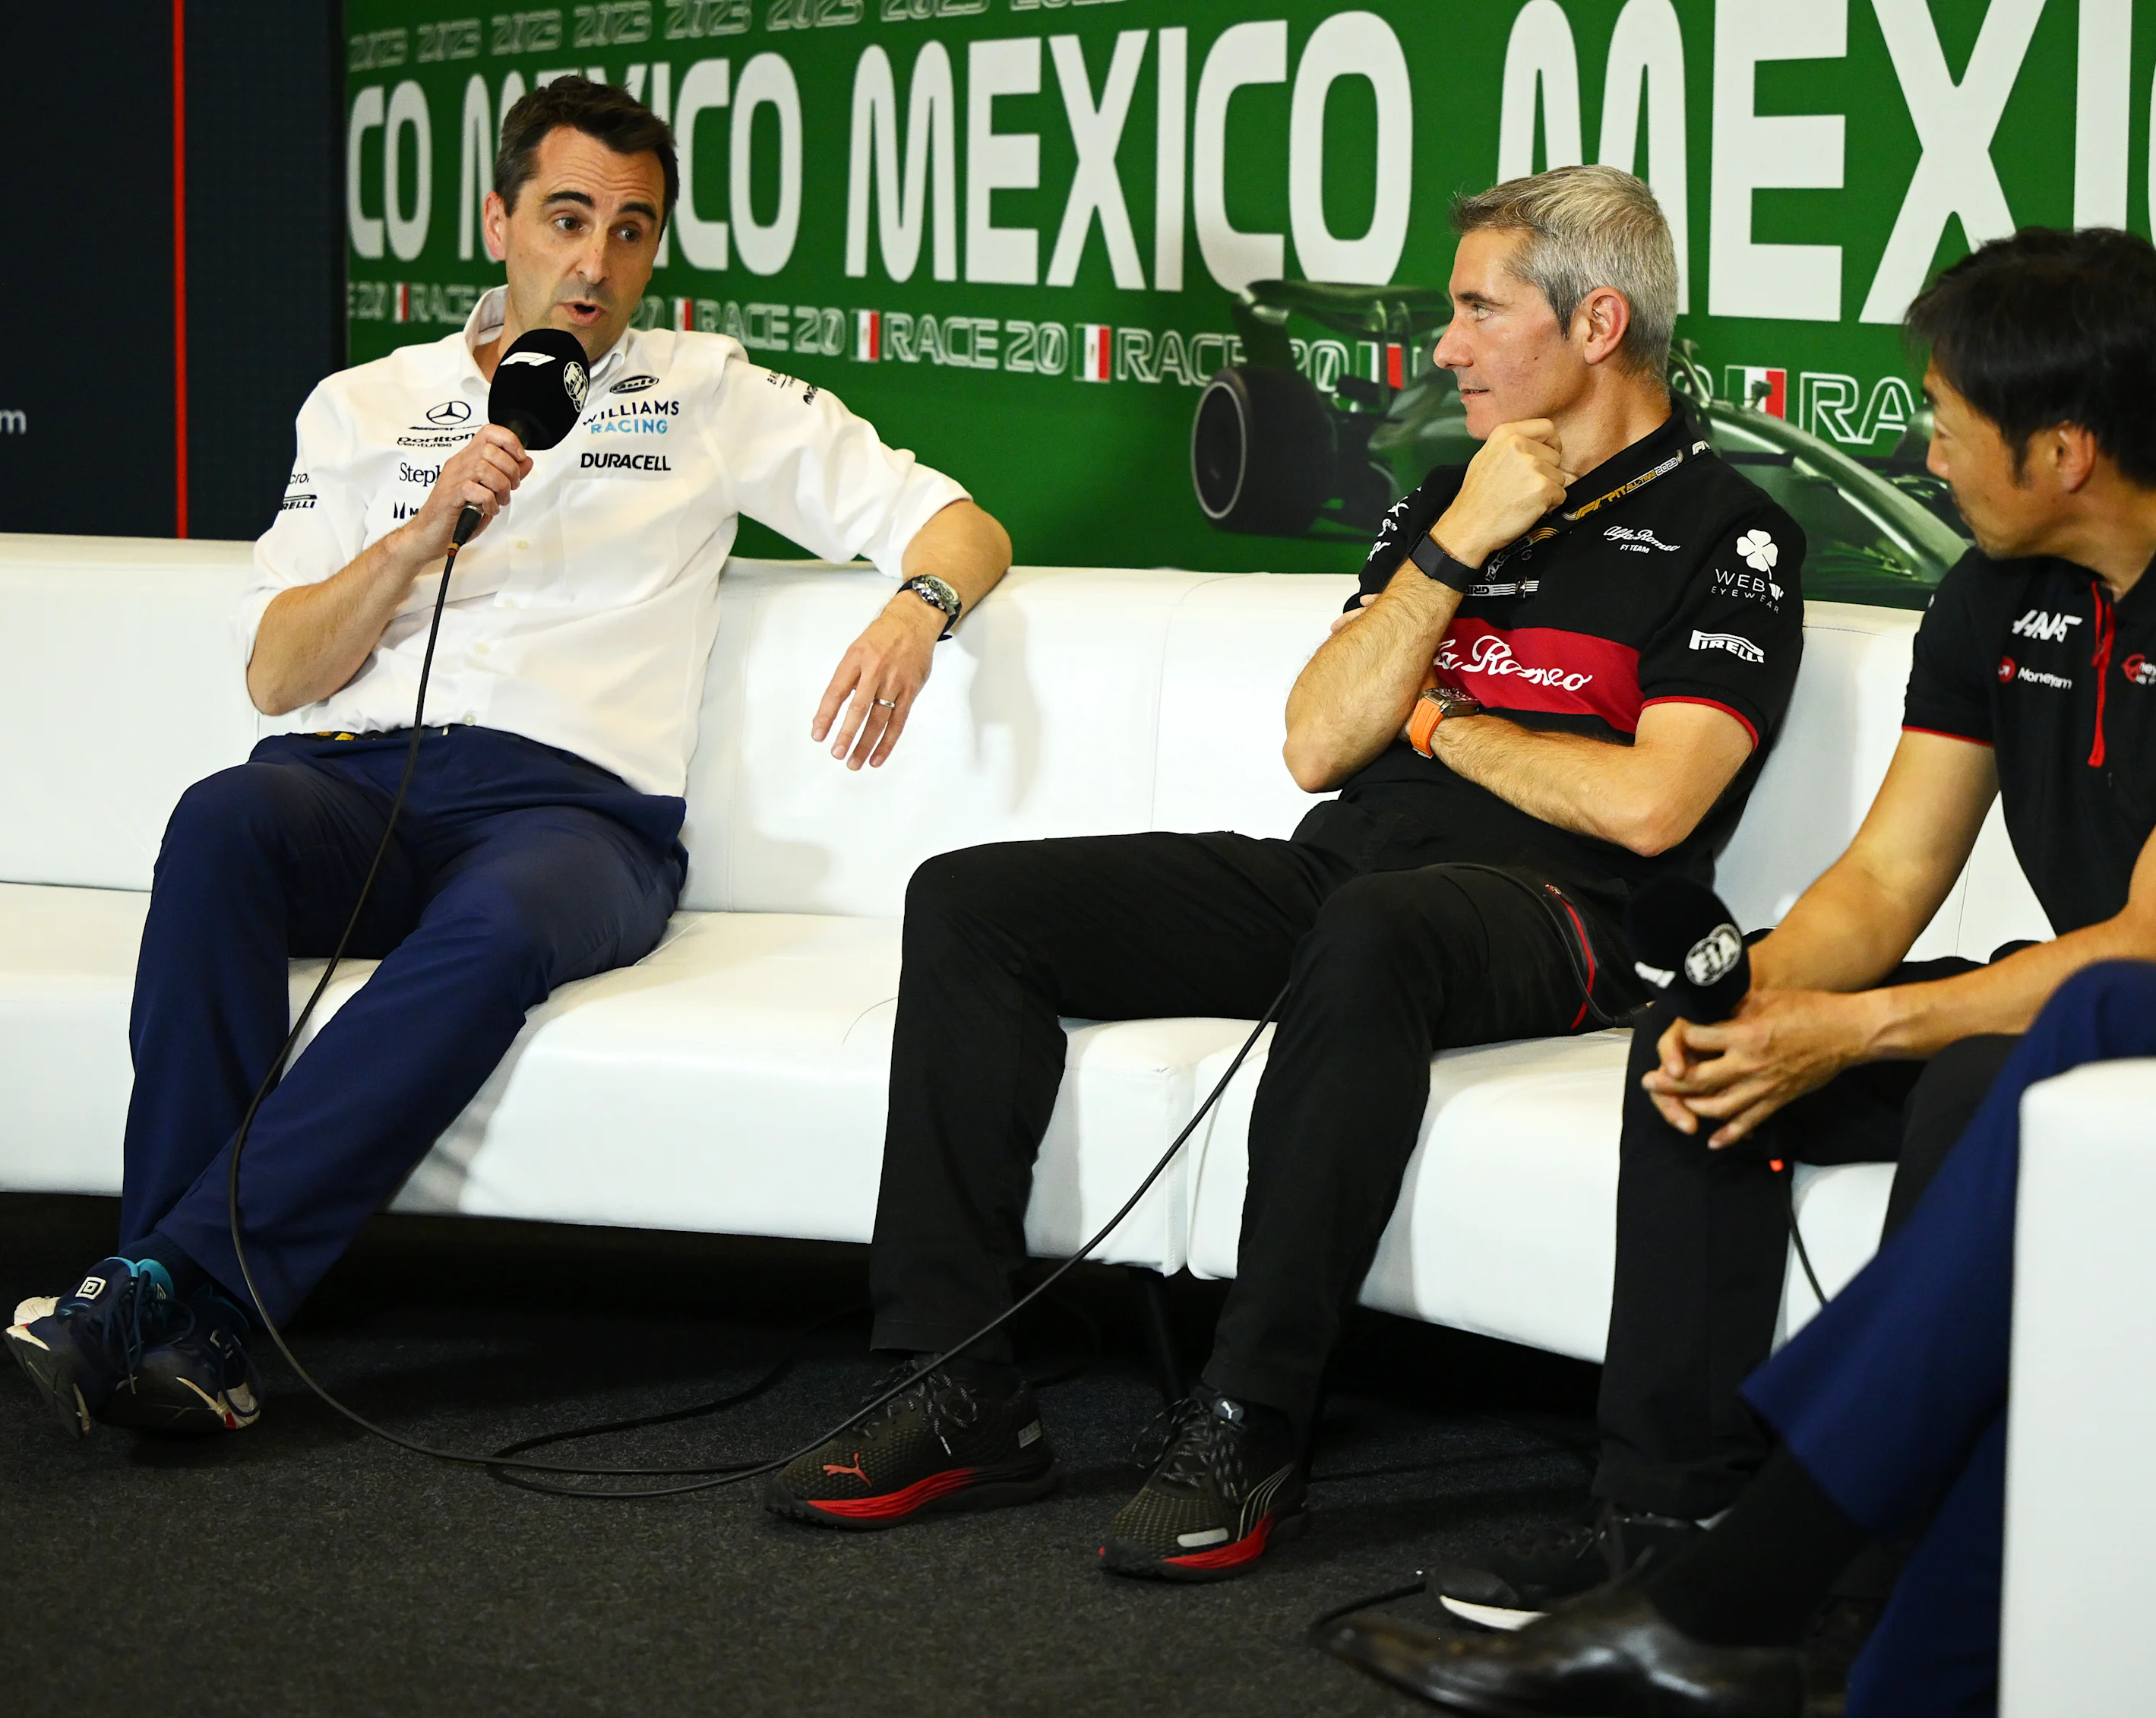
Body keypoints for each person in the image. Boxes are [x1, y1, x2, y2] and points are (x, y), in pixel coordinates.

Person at [762, 165, 1808, 1579]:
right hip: (1347, 877)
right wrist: (1455, 544)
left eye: (1480, 312)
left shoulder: (1729, 533)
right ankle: (956, 1385)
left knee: (1376, 929)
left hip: (1567, 917)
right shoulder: (1446, 500)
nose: (1443, 347)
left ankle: (1253, 1418)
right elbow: (1320, 741)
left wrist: (1440, 721)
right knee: (975, 898)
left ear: (1598, 323)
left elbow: (1647, 805)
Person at [1432, 226, 2156, 1627]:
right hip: (2082, 1005)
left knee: (1965, 1079)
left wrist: (1850, 1031)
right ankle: (1663, 1522)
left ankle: (1886, 1569)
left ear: (2064, 451)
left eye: (1950, 424)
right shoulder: (1992, 591)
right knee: (1701, 1050)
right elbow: (1891, 877)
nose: (1928, 453)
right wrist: (1765, 1008)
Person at [2, 78, 1011, 1439]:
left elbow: (958, 523)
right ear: (499, 218)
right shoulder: (367, 406)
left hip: (578, 822)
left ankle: (165, 1288)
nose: (596, 263)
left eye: (634, 230)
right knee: (223, 822)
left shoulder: (708, 395)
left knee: (494, 925)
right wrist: (420, 535)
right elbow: (276, 672)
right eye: (567, 217)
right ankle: (191, 1321)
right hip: (360, 783)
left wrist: (916, 606)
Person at [1323, 957, 2156, 1717]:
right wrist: (1770, 1012)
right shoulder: (1988, 617)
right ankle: (1768, 1609)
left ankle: (1730, 1598)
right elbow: (1887, 870)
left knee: (2068, 1050)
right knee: (2102, 1020)